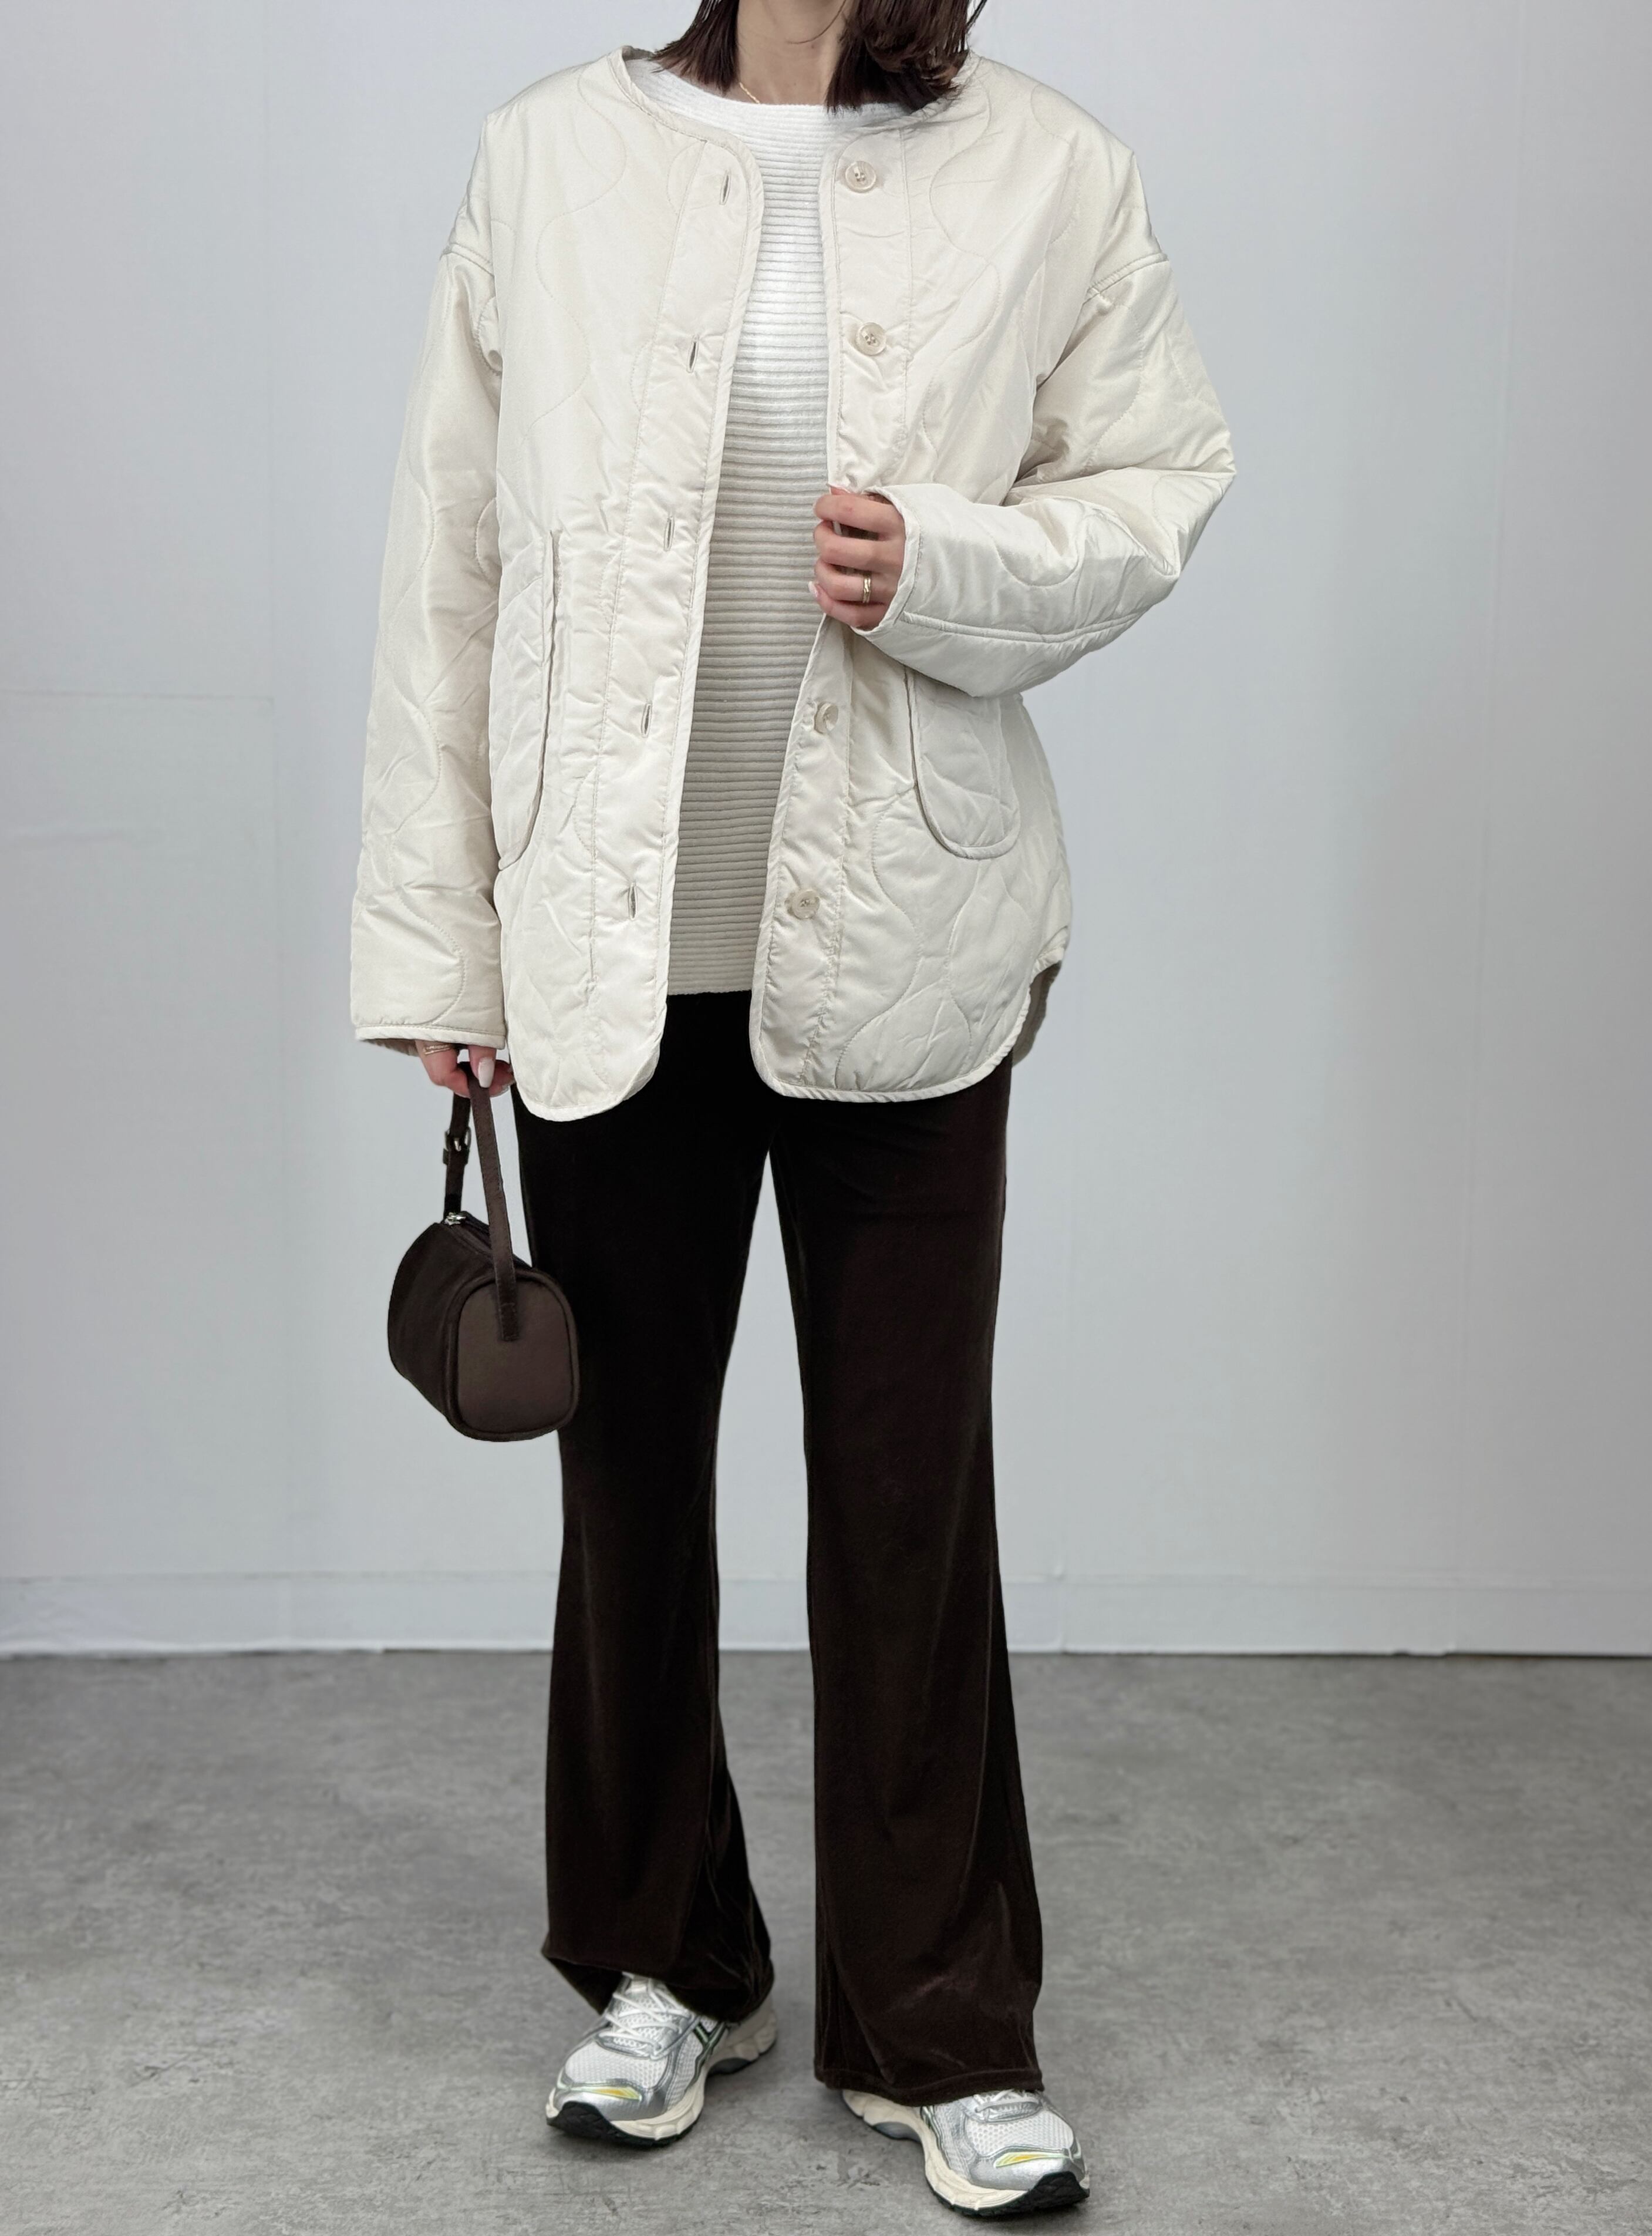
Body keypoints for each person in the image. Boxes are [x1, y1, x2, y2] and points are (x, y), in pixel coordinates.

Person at [349, 0, 1233, 2215]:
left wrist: (948, 564)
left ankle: (940, 2025)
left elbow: (1155, 486)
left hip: (915, 935)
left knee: (911, 1504)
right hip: (610, 944)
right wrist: (441, 944)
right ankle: (672, 1962)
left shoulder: (1049, 164)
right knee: (630, 1489)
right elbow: (453, 565)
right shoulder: (548, 154)